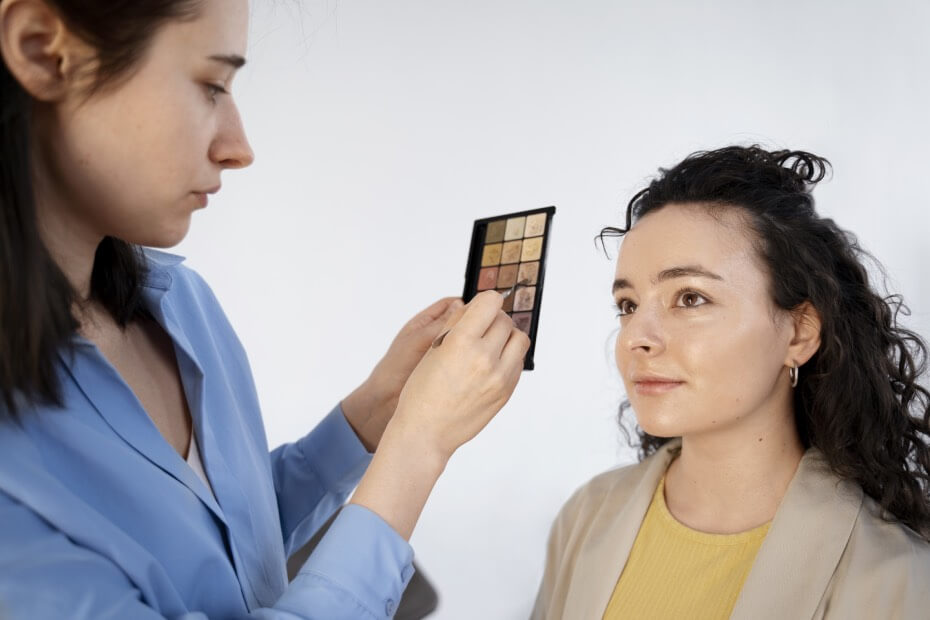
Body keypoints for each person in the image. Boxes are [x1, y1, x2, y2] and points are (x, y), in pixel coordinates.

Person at [0, 0, 529, 618]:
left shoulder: (183, 307)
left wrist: (373, 417)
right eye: (211, 85)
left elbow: (226, 556)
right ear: (43, 51)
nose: (239, 147)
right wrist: (418, 448)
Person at [532, 146, 930, 619]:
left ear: (799, 332)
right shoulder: (586, 518)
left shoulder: (896, 579)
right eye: (628, 305)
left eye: (691, 298)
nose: (636, 337)